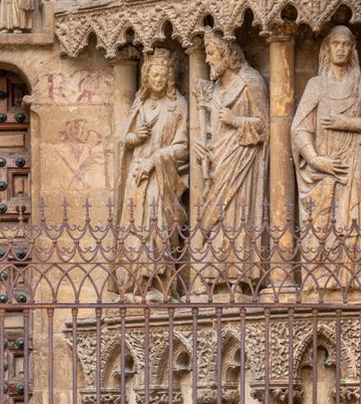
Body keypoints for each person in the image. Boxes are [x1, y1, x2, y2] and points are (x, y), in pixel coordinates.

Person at [292, 25, 361, 299]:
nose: (340, 49)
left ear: (353, 49)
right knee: (323, 223)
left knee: (358, 221)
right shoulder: (316, 85)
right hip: (325, 169)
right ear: (327, 48)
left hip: (357, 167)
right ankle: (321, 278)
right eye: (335, 43)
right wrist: (315, 159)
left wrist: (347, 123)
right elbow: (299, 128)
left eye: (346, 44)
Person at [191, 31, 268, 299]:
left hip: (243, 160)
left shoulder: (251, 82)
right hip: (217, 161)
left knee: (237, 213)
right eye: (206, 54)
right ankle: (211, 276)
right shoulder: (212, 90)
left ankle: (239, 277)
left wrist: (236, 121)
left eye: (212, 53)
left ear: (228, 54)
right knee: (214, 218)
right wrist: (201, 146)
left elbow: (265, 128)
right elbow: (209, 130)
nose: (208, 59)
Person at [115, 50, 187, 302]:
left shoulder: (178, 106)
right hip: (136, 178)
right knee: (134, 228)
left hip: (160, 177)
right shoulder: (140, 105)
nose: (158, 78)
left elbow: (183, 148)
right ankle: (134, 285)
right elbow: (123, 141)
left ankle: (158, 284)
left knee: (157, 228)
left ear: (170, 77)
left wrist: (155, 161)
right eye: (153, 74)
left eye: (162, 74)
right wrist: (137, 138)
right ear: (146, 76)